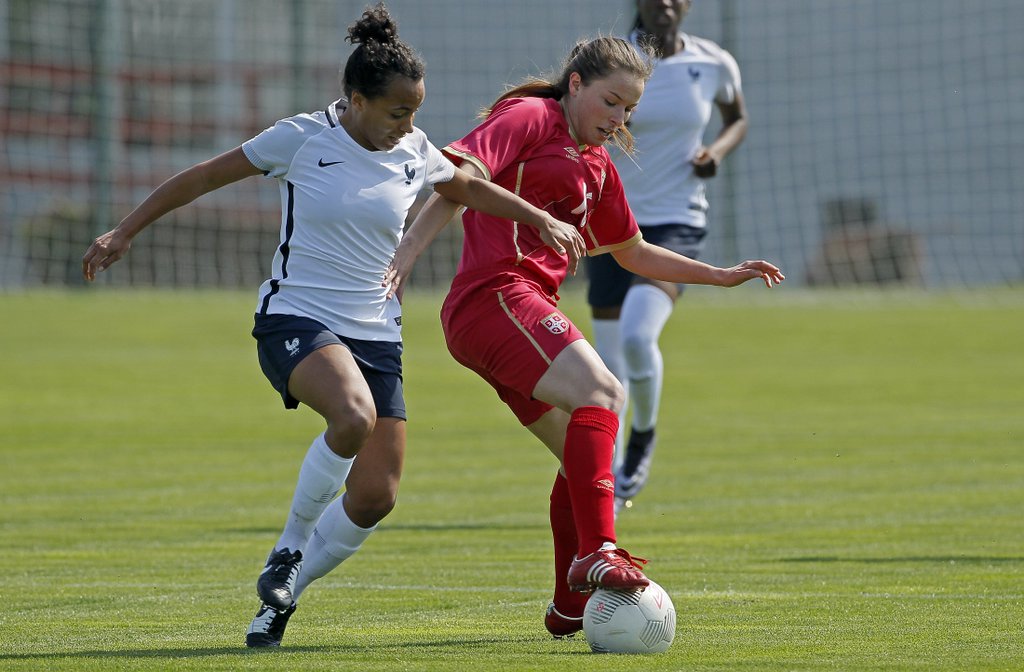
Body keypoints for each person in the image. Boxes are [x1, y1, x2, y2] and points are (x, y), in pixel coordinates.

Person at [81, 3, 584, 649]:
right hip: (298, 316)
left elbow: (466, 188)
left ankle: (280, 600)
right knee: (352, 416)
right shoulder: (302, 137)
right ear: (354, 100)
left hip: (377, 331)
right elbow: (205, 176)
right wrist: (125, 231)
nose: (410, 125)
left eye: (416, 112)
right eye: (398, 112)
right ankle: (288, 550)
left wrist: (539, 219)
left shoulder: (415, 148)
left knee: (376, 496)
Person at [385, 35, 782, 639]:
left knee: (583, 450)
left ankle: (568, 606)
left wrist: (719, 275)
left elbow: (635, 252)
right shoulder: (530, 117)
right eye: (611, 102)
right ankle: (598, 551)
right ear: (575, 85)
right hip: (493, 297)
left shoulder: (597, 166)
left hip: (513, 312)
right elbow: (454, 179)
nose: (619, 119)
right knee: (604, 392)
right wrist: (406, 257)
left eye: (629, 110)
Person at [585, 0, 750, 513]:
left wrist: (715, 153)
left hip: (677, 221)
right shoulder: (613, 60)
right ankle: (606, 488)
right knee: (609, 367)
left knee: (638, 335)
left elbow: (737, 118)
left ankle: (643, 436)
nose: (664, 4)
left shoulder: (713, 62)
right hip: (610, 224)